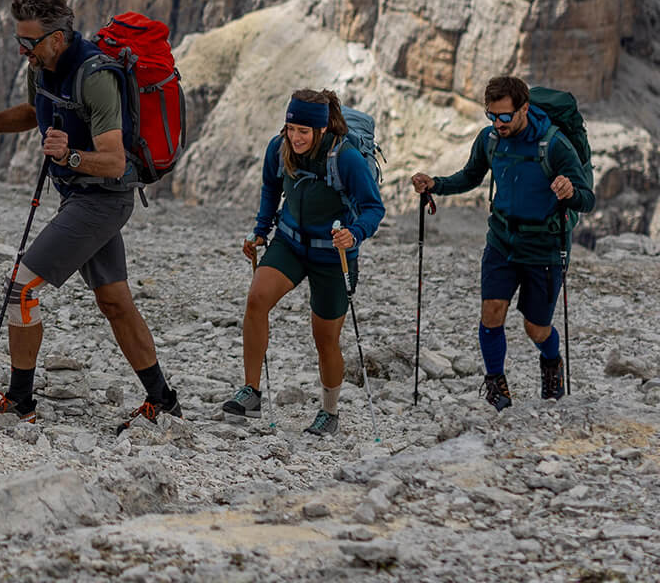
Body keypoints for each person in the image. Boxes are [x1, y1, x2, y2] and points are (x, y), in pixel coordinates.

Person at [0, 0, 182, 433]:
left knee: (20, 289)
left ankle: (20, 401)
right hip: (79, 196)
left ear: (56, 37)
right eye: (18, 40)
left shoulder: (94, 76)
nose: (22, 50)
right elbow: (34, 112)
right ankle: (164, 401)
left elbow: (114, 160)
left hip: (104, 198)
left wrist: (70, 156)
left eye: (29, 42)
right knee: (114, 301)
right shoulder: (44, 67)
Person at [410, 75, 595, 410]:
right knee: (491, 313)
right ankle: (496, 387)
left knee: (536, 329)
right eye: (492, 116)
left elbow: (587, 199)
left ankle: (551, 362)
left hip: (545, 246)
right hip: (501, 240)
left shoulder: (554, 145)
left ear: (524, 109)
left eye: (505, 116)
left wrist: (570, 191)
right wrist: (435, 184)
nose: (498, 123)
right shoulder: (490, 139)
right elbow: (470, 176)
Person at [220, 89, 384, 436]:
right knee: (256, 299)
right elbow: (270, 187)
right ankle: (251, 392)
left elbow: (373, 207)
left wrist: (354, 233)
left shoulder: (347, 159)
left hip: (332, 254)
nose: (294, 137)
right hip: (290, 243)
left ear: (320, 130)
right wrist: (261, 231)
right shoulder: (278, 148)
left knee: (325, 339)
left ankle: (330, 411)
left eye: (302, 131)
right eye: (290, 128)